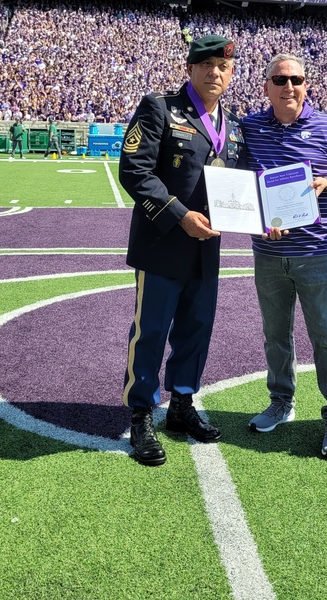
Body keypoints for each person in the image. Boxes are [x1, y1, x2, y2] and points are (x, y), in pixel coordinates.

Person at [118, 34, 245, 466]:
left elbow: (240, 186)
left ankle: (181, 405)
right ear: (189, 69)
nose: (215, 72)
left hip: (207, 249)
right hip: (162, 244)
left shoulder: (235, 126)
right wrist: (179, 215)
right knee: (150, 332)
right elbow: (134, 171)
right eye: (207, 64)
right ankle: (140, 414)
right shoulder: (160, 108)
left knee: (196, 331)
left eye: (223, 67)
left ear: (231, 74)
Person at [241, 53, 327, 459]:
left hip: (316, 252)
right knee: (276, 335)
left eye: (295, 79)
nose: (288, 86)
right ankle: (281, 401)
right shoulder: (251, 128)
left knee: (326, 337)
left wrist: (326, 182)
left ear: (306, 84)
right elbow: (241, 187)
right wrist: (258, 220)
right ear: (266, 87)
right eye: (279, 79)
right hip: (268, 251)